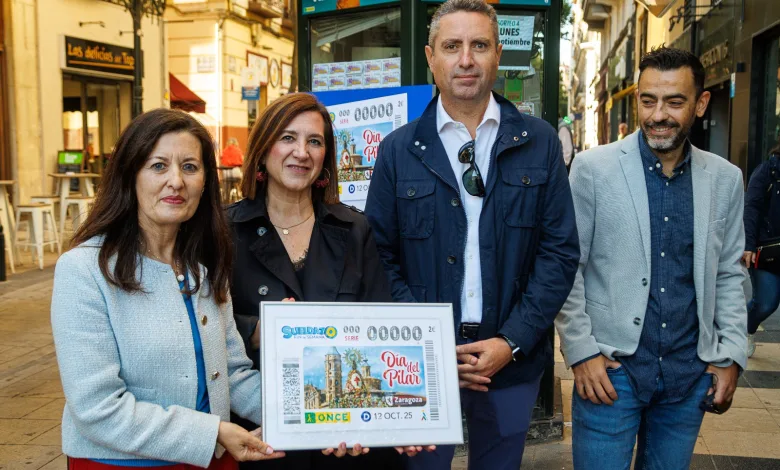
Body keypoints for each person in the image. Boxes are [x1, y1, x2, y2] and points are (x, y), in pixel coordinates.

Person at [364, 0, 580, 468]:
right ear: (430, 57)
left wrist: (512, 340)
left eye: (479, 45)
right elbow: (378, 257)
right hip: (418, 362)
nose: (466, 59)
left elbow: (559, 253)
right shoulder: (398, 150)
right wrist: (430, 344)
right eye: (452, 46)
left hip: (512, 358)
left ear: (498, 54)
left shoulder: (540, 142)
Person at [50, 109, 285, 469]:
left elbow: (232, 376)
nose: (176, 181)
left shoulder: (204, 268)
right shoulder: (83, 270)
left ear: (205, 182)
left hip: (213, 458)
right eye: (158, 166)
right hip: (123, 464)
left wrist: (316, 417)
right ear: (130, 175)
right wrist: (212, 432)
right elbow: (97, 408)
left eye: (190, 167)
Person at [556, 47, 747, 470]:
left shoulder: (726, 179)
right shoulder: (592, 169)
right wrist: (581, 352)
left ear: (700, 103)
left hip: (688, 376)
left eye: (674, 102)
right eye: (648, 100)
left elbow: (729, 274)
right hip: (610, 373)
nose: (658, 115)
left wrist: (731, 354)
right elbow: (568, 266)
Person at [226, 92, 432, 470]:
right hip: (263, 438)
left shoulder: (355, 229)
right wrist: (255, 330)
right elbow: (200, 327)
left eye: (314, 142)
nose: (301, 152)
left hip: (351, 443)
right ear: (263, 149)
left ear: (326, 157)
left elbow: (381, 328)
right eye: (287, 138)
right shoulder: (224, 231)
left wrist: (395, 419)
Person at [743, 145, 780, 357]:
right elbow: (751, 208)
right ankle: (746, 329)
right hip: (767, 250)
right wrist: (748, 244)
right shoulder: (767, 171)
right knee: (766, 303)